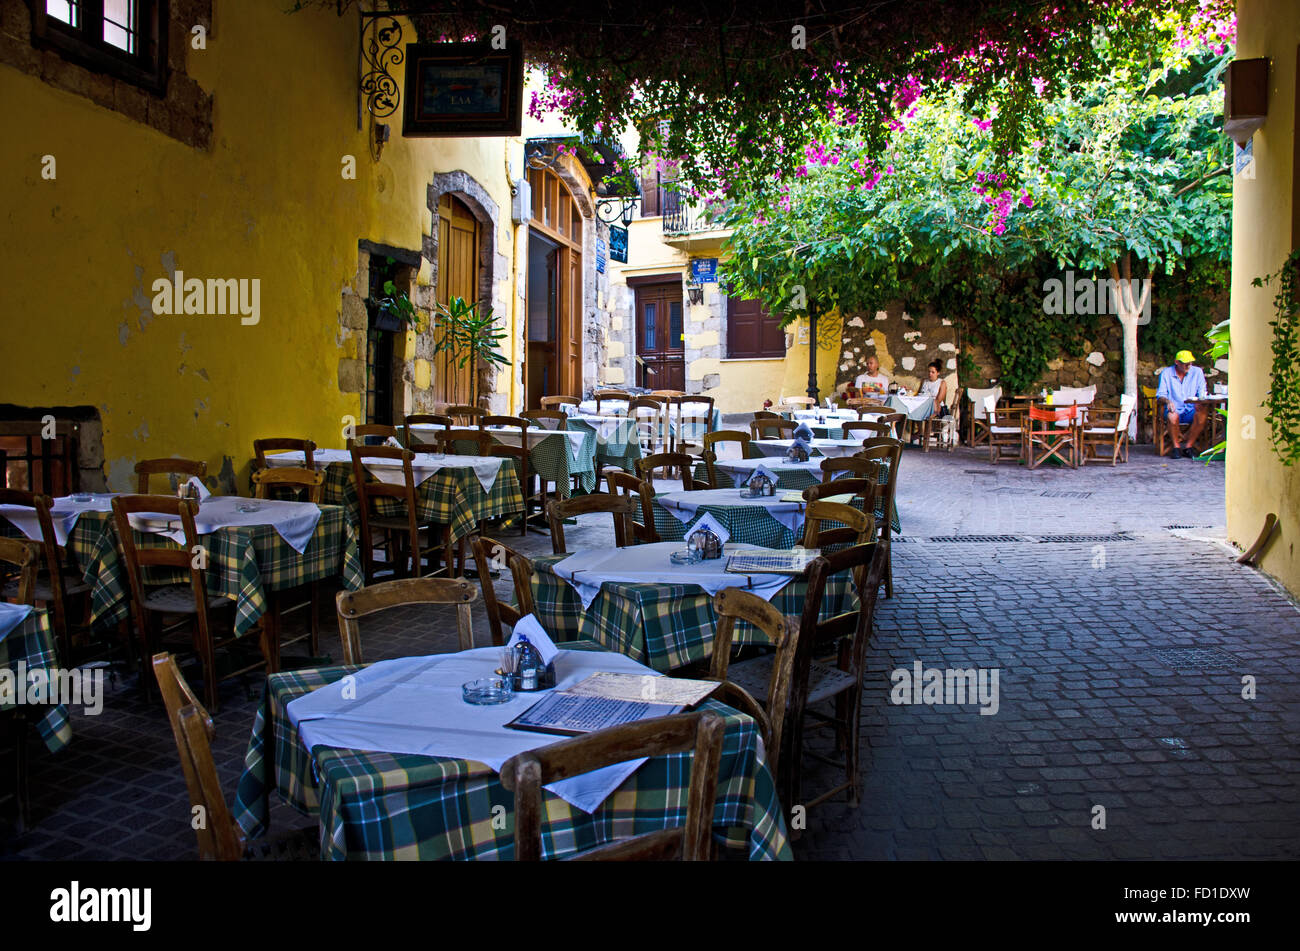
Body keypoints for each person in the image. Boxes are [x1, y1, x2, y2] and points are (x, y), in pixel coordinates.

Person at [1156, 349, 1209, 458]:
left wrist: (1201, 401)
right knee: (1172, 415)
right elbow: (1160, 394)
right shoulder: (1166, 373)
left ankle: (1189, 446)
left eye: (1190, 363)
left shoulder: (1197, 372)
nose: (1188, 366)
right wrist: (1168, 401)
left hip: (1191, 408)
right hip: (1174, 408)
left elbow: (1202, 391)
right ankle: (1176, 447)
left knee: (1202, 414)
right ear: (1177, 362)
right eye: (1185, 363)